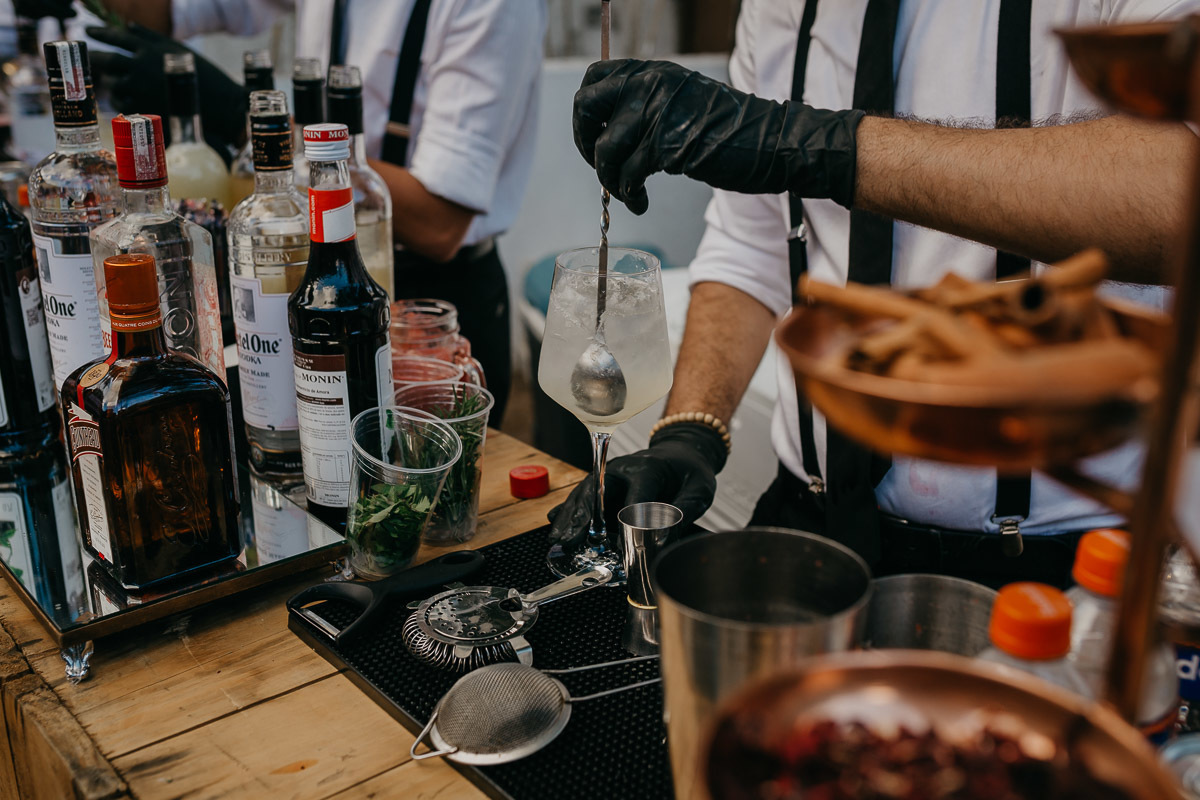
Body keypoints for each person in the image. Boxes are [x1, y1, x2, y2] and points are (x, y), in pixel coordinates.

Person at [553, 0, 1199, 588]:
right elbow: (752, 244)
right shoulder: (778, 10)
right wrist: (690, 433)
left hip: (1065, 566)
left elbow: (1177, 191)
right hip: (809, 522)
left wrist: (823, 146)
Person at [29, 0, 547, 422]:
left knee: (419, 511)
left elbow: (439, 224)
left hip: (429, 302)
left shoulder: (492, 7)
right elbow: (161, 10)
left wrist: (239, 113)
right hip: (318, 276)